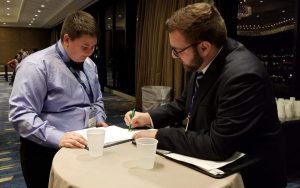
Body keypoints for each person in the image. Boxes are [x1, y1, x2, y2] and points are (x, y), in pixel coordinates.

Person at [124, 3, 286, 188]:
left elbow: (217, 146)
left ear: (204, 47)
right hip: (212, 165)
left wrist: (158, 135)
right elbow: (186, 102)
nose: (173, 56)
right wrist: (148, 117)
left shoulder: (242, 76)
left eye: (178, 50)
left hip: (249, 176)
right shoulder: (206, 57)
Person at [9, 11, 107, 188]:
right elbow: (21, 114)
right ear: (67, 40)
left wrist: (99, 118)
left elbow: (96, 100)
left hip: (83, 144)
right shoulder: (36, 66)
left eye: (94, 47)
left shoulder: (89, 64)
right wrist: (58, 137)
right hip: (45, 150)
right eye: (85, 47)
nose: (90, 53)